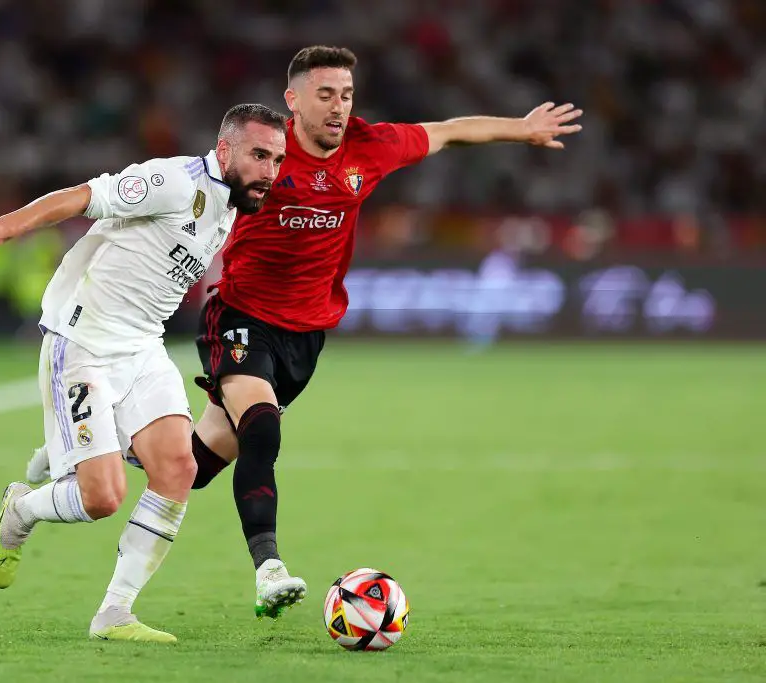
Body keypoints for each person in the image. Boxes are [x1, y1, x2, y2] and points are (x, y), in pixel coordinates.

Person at [187, 46, 583, 618]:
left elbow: (448, 132)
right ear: (292, 100)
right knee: (261, 429)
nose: (339, 107)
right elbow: (187, 190)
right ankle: (269, 568)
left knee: (193, 467)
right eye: (325, 94)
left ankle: (79, 464)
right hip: (242, 315)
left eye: (346, 95)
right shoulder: (262, 154)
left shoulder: (368, 148)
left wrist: (519, 130)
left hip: (306, 334)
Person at [0, 103, 287, 643]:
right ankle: (22, 508)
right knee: (102, 497)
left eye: (277, 159)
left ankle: (115, 614)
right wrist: (1, 229)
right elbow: (82, 197)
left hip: (142, 347)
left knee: (179, 469)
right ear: (225, 150)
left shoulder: (230, 206)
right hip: (81, 344)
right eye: (260, 155)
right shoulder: (173, 181)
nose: (270, 170)